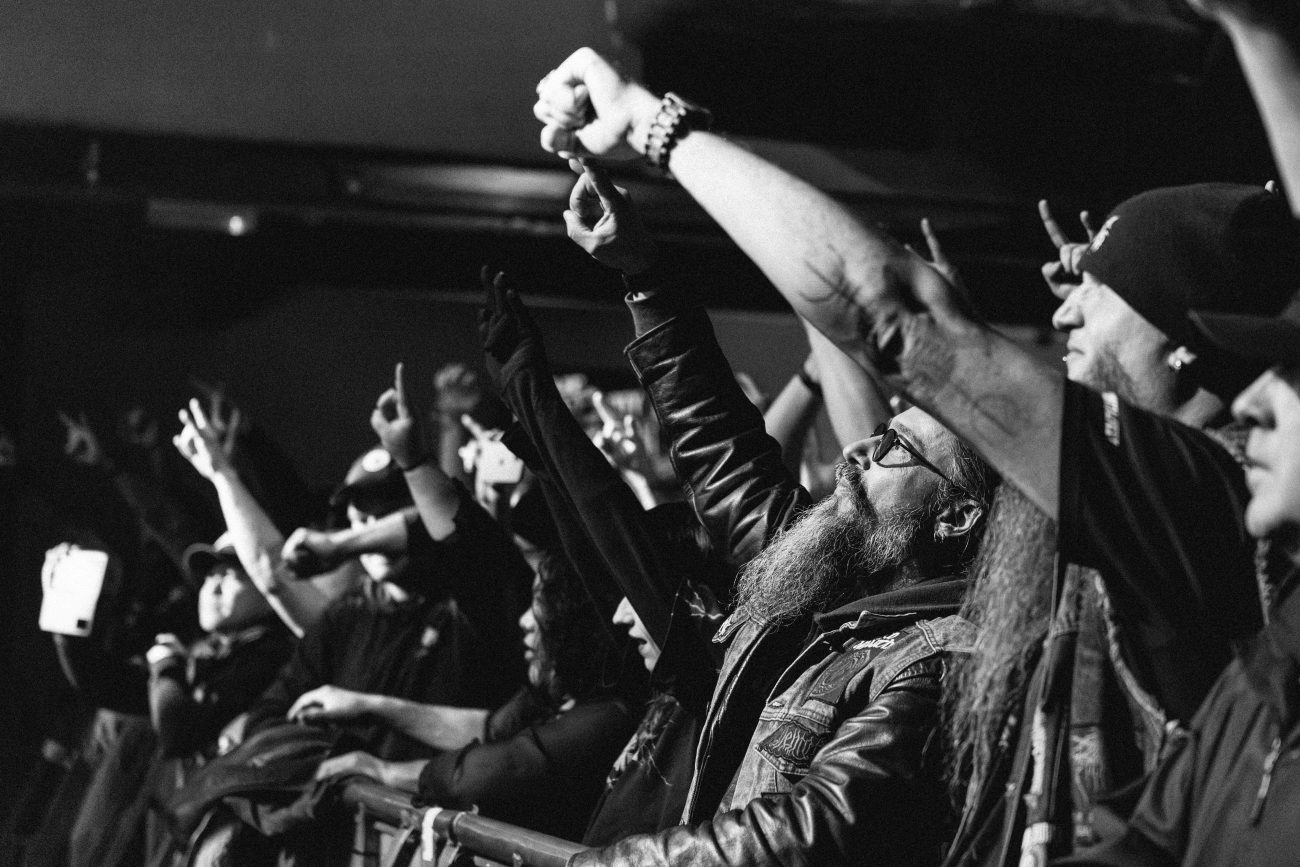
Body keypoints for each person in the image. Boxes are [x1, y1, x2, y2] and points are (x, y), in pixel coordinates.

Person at [532, 51, 1298, 865]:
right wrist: (646, 282)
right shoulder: (894, 589)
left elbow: (896, 318)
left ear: (1186, 343)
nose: (1063, 314)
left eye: (1103, 293)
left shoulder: (1200, 504)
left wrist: (654, 125)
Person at [535, 168, 1000, 864]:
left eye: (893, 448)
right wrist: (644, 277)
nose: (857, 453)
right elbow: (722, 450)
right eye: (877, 434)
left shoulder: (938, 663)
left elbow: (808, 832)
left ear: (957, 516)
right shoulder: (828, 580)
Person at [1056, 297, 1300, 866]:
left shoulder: (1202, 499)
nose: (1250, 403)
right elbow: (1148, 843)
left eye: (1295, 372)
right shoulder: (1264, 670)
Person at [302, 548, 637, 841]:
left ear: (576, 621)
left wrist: (382, 771)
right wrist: (370, 706)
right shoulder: (558, 692)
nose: (524, 620)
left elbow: (483, 775)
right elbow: (489, 729)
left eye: (541, 604)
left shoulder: (611, 713)